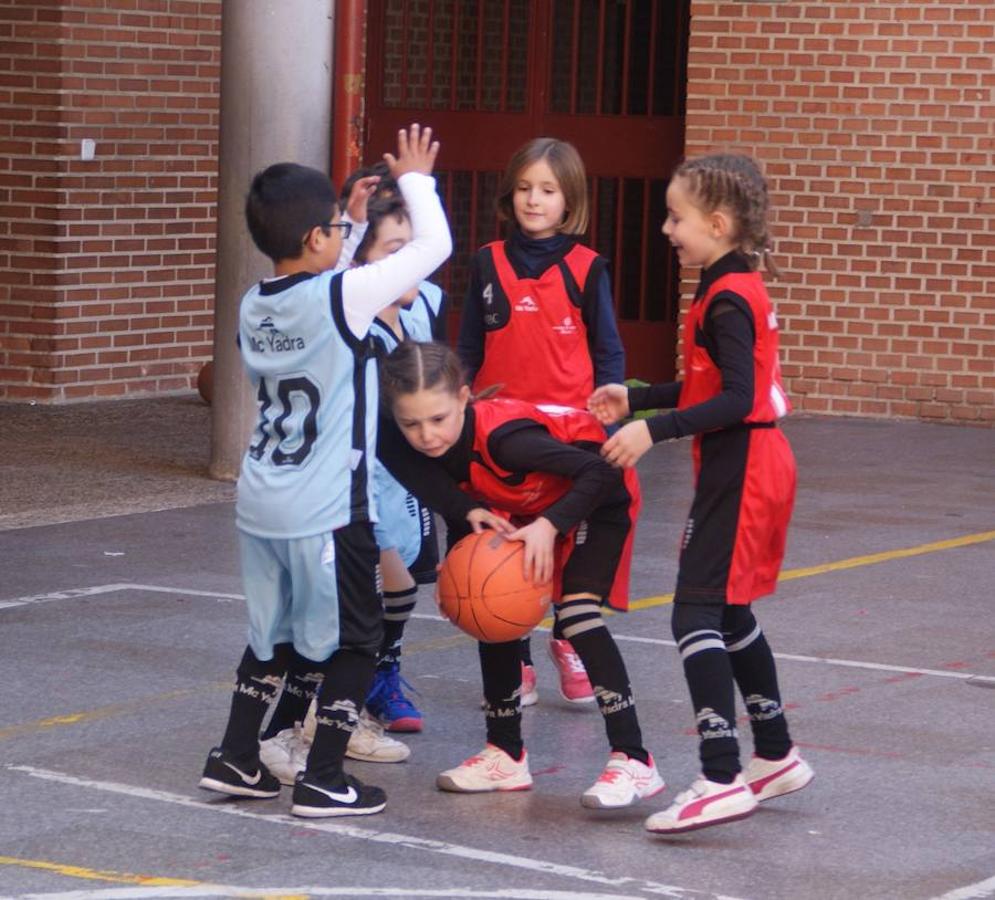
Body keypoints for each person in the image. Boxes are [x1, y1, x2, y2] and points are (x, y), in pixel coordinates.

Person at [197, 124, 451, 819]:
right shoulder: (343, 298)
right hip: (328, 505)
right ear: (316, 238)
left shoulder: (254, 305)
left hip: (262, 499)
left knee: (274, 635)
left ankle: (235, 756)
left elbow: (325, 287)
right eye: (338, 227)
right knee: (357, 638)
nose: (347, 233)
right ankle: (324, 777)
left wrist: (354, 216)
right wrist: (419, 180)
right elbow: (434, 249)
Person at [588, 153, 814, 834]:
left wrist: (650, 432)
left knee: (694, 616)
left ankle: (720, 775)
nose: (665, 229)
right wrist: (638, 399)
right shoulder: (731, 285)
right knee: (730, 611)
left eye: (675, 217)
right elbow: (712, 389)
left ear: (716, 223)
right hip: (749, 461)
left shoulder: (727, 296)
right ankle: (772, 755)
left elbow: (738, 400)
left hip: (742, 465)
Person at [377, 340, 663, 810]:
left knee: (577, 617)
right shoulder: (405, 442)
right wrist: (459, 558)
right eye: (412, 423)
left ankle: (635, 759)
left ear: (465, 399)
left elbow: (601, 474)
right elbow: (449, 498)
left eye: (438, 419)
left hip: (595, 497)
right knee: (491, 610)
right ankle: (505, 754)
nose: (426, 435)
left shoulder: (510, 440)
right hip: (525, 504)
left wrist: (551, 527)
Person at [457, 137, 626, 706]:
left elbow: (609, 351)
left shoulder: (587, 267)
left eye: (548, 190)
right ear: (511, 193)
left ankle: (567, 636)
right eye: (526, 188)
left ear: (569, 199)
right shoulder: (487, 260)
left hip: (568, 436)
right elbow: (469, 346)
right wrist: (459, 401)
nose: (534, 200)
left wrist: (611, 406)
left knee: (567, 546)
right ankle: (516, 662)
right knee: (503, 550)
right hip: (503, 434)